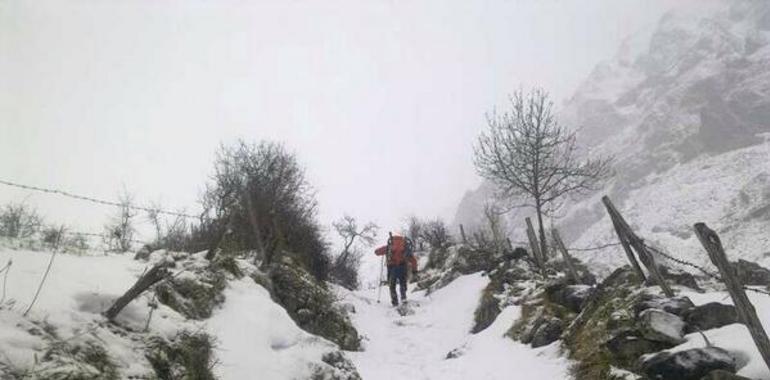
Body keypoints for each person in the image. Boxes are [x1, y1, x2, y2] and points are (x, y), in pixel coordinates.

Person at [374, 233, 417, 306]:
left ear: (392, 239)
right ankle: (403, 298)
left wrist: (383, 251)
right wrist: (414, 270)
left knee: (392, 285)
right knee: (402, 284)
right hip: (403, 267)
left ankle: (395, 302)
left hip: (392, 268)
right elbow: (413, 260)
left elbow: (376, 252)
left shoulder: (389, 247)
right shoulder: (405, 247)